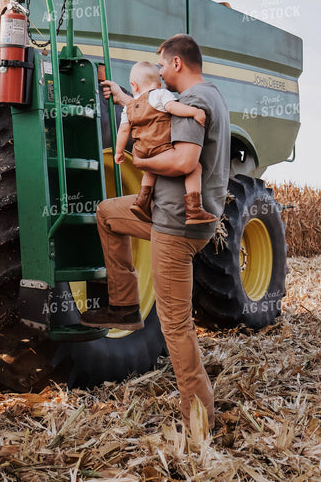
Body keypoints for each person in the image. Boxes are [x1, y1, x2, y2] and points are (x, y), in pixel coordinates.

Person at [81, 34, 230, 432]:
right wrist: (123, 99)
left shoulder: (194, 103)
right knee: (109, 214)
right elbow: (151, 109)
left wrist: (141, 156)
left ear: (177, 63)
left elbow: (184, 160)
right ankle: (125, 304)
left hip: (177, 225)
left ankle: (198, 419)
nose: (159, 72)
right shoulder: (212, 95)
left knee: (175, 325)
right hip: (171, 215)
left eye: (162, 65)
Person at [116, 60, 217, 225]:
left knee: (150, 170)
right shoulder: (160, 94)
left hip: (142, 149)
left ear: (133, 86)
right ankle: (194, 210)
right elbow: (173, 108)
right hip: (161, 147)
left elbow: (124, 131)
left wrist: (119, 152)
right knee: (195, 168)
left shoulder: (128, 108)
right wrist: (193, 111)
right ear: (159, 84)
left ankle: (141, 202)